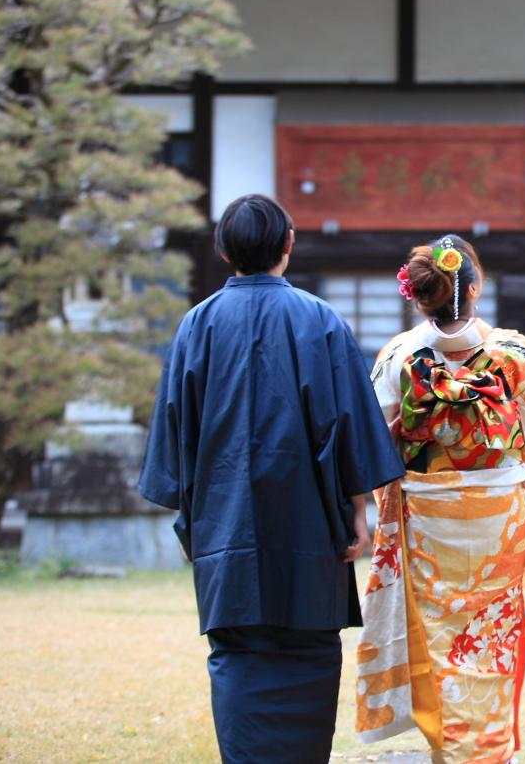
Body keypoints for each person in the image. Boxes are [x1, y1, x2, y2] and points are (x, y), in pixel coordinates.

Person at [138, 194, 404, 764]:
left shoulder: (196, 325)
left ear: (223, 249)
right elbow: (347, 426)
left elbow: (176, 434)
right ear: (287, 246)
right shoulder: (320, 320)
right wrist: (358, 513)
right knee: (309, 653)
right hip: (310, 531)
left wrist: (195, 517)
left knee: (236, 656)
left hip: (224, 529)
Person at [355, 235, 525, 764]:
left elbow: (367, 435)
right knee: (494, 629)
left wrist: (403, 435)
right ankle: (493, 749)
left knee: (439, 634)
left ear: (420, 293)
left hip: (426, 512)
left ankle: (448, 745)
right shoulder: (509, 351)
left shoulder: (398, 356)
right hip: (500, 517)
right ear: (476, 289)